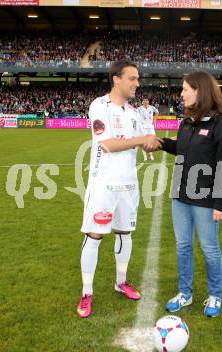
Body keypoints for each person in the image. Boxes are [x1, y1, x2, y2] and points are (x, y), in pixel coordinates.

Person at [77, 60, 162, 318]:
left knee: (125, 233)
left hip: (129, 185)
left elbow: (144, 141)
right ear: (117, 79)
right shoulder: (99, 106)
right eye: (132, 78)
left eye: (138, 79)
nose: (137, 83)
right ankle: (87, 293)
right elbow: (109, 145)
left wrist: (155, 143)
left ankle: (121, 282)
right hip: (104, 184)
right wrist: (141, 140)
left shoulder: (134, 113)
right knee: (95, 235)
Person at [158, 71, 222, 318]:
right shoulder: (188, 121)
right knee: (183, 246)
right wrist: (160, 142)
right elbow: (181, 149)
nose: (181, 94)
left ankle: (215, 295)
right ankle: (185, 292)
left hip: (206, 200)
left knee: (209, 248)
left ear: (200, 90)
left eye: (185, 89)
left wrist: (220, 203)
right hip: (180, 196)